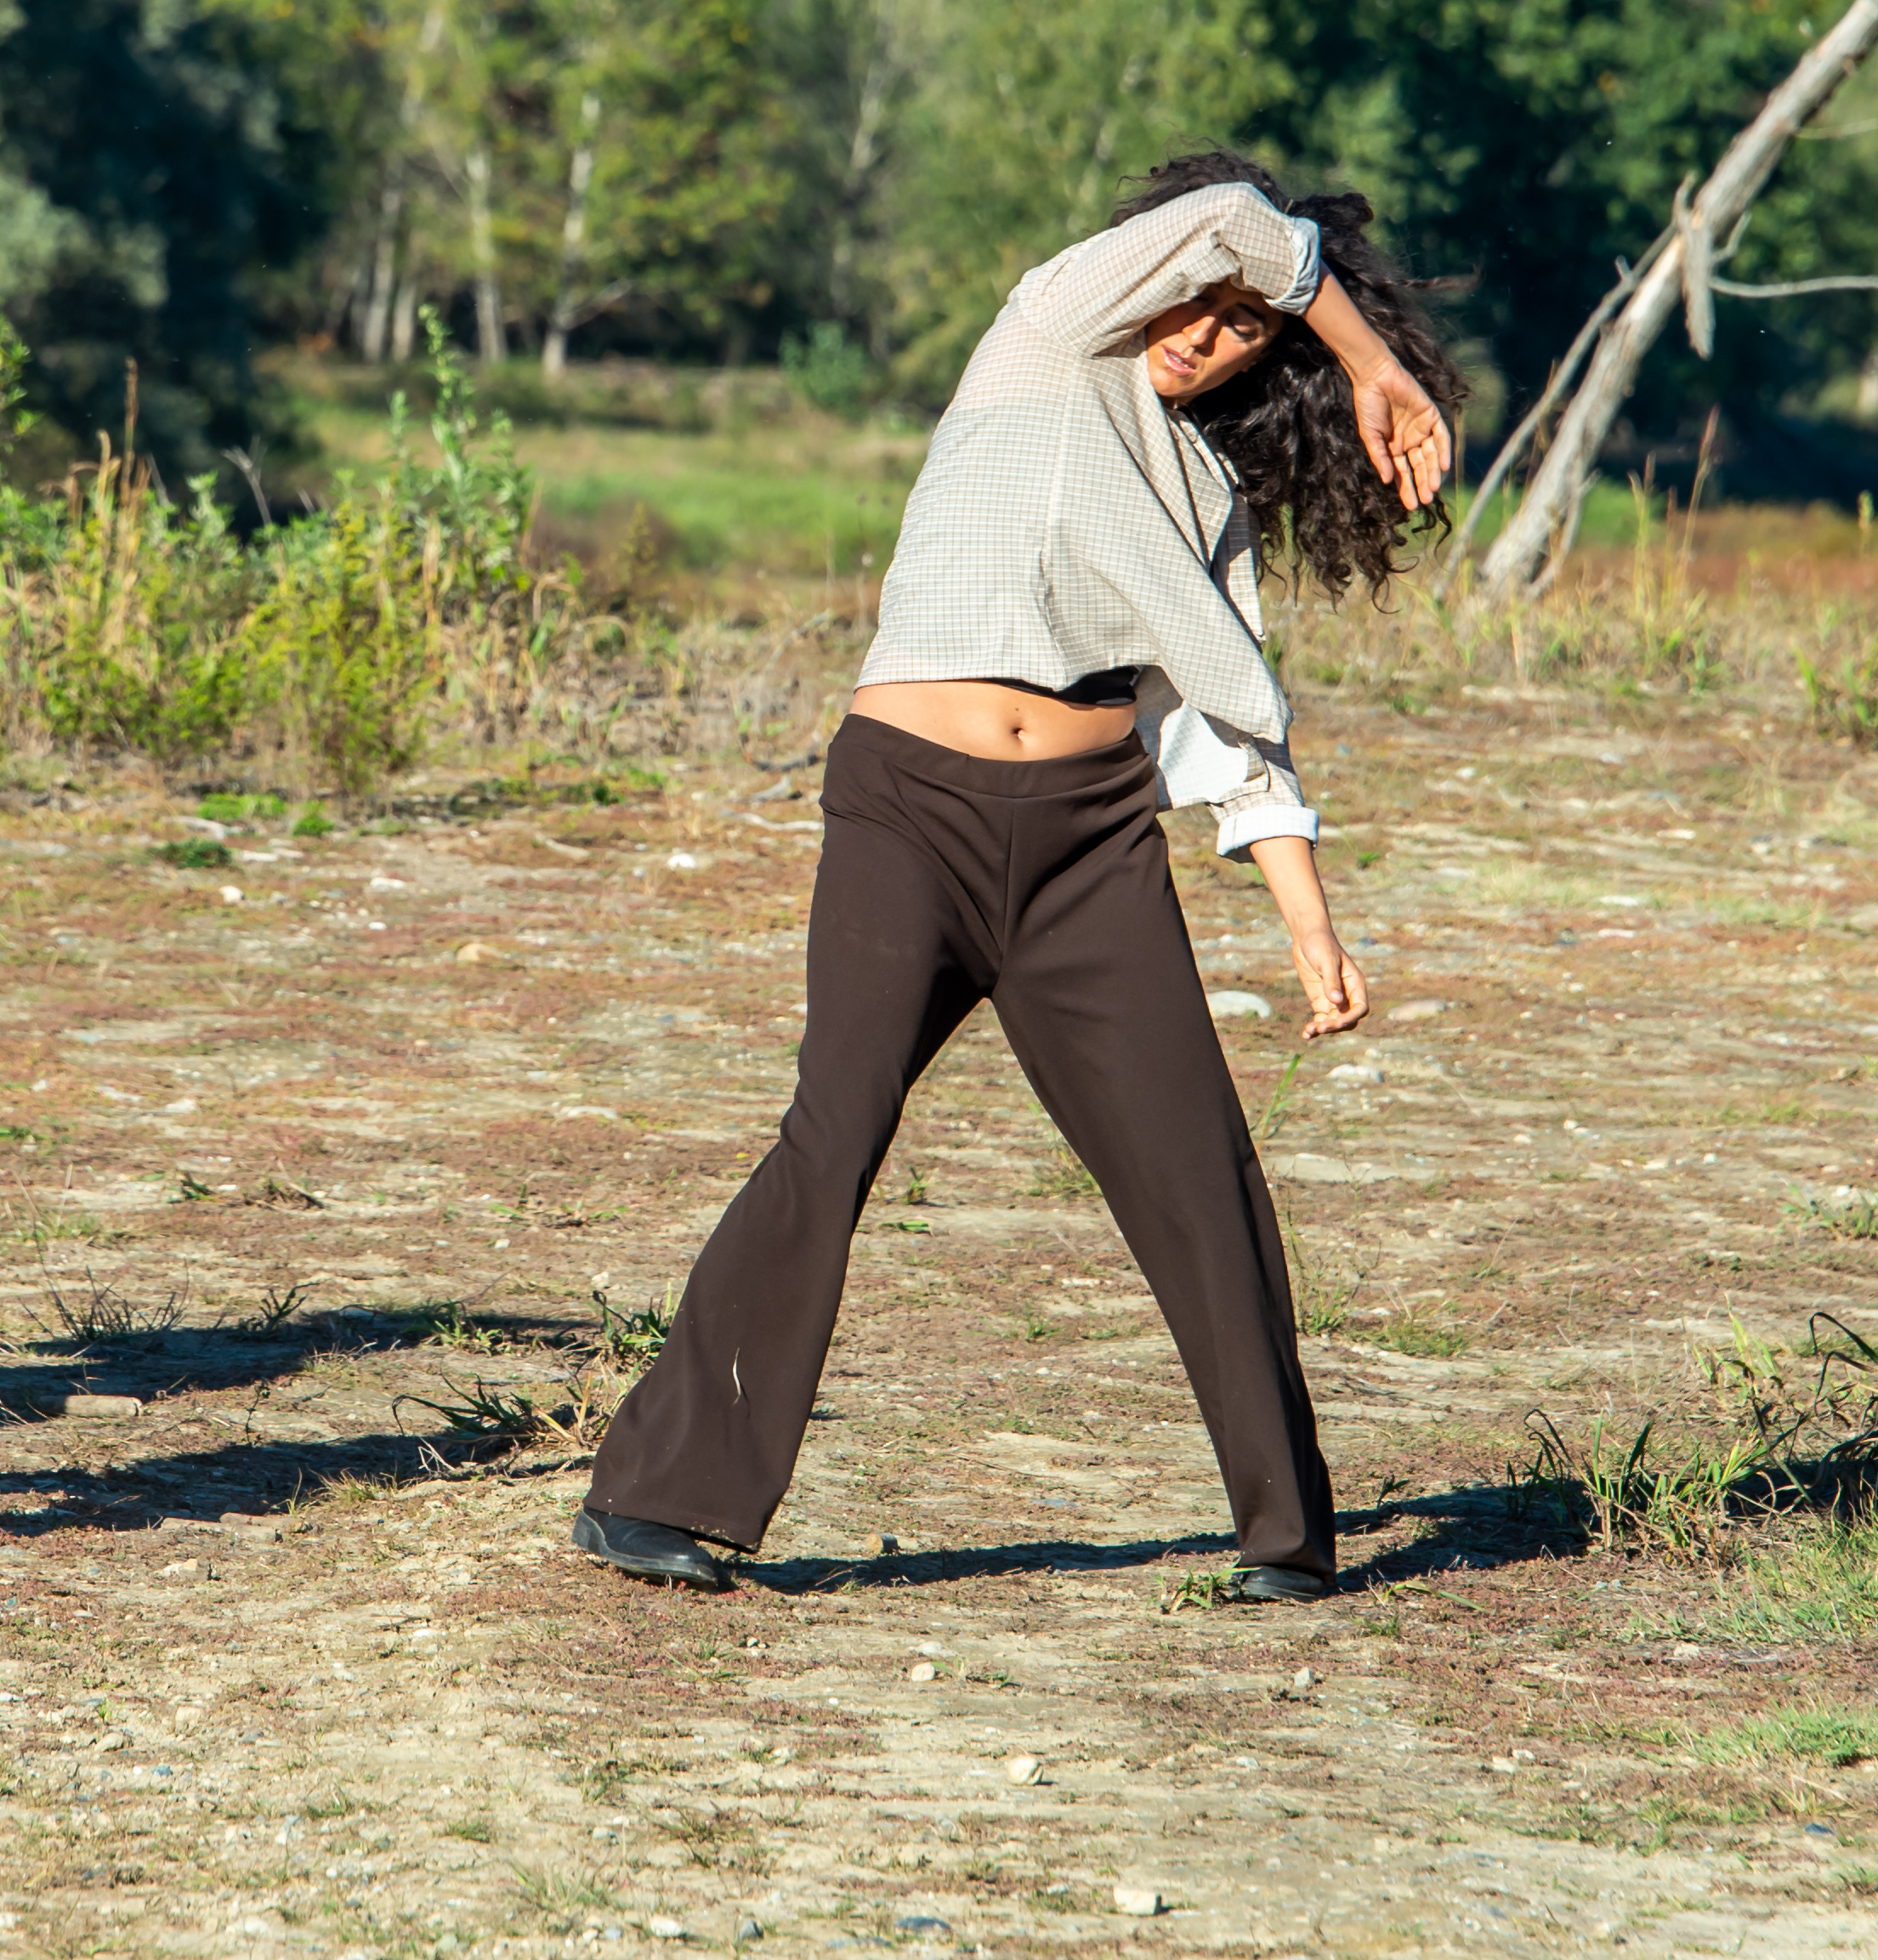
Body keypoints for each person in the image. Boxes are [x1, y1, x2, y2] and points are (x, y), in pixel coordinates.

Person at [571, 153, 1461, 1602]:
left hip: (1088, 840)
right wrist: (1368, 357)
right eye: (1200, 302)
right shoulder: (1050, 328)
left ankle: (1289, 1541)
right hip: (908, 811)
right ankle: (656, 1496)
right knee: (835, 1130)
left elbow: (1221, 718)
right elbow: (1243, 224)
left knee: (1197, 1170)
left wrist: (1310, 921)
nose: (1205, 331)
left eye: (1246, 328)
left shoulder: (1200, 488)